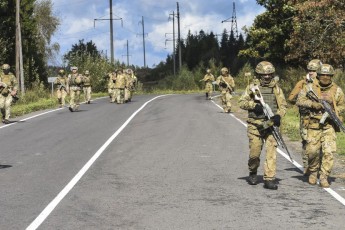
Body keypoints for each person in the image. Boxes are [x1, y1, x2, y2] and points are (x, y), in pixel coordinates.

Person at [239, 61, 287, 190]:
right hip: (255, 126)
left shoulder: (276, 88)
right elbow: (241, 102)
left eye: (269, 74)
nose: (267, 77)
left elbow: (283, 105)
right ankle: (253, 171)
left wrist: (278, 116)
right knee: (254, 153)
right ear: (259, 74)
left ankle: (269, 178)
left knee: (271, 152)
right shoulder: (252, 87)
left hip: (271, 126)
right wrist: (254, 106)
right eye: (264, 74)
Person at [296, 64, 345, 188]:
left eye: (327, 75)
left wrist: (333, 112)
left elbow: (342, 106)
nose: (325, 77)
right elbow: (299, 101)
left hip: (329, 126)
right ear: (318, 75)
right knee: (312, 151)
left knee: (329, 152)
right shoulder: (309, 88)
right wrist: (313, 104)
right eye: (322, 74)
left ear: (331, 76)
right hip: (313, 124)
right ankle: (313, 172)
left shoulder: (337, 90)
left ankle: (324, 176)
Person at [288, 59, 321, 175]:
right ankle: (307, 166)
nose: (312, 72)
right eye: (310, 70)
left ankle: (319, 166)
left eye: (314, 70)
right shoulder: (303, 83)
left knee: (320, 142)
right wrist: (303, 95)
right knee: (306, 142)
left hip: (320, 118)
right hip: (306, 118)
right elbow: (291, 98)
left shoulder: (324, 83)